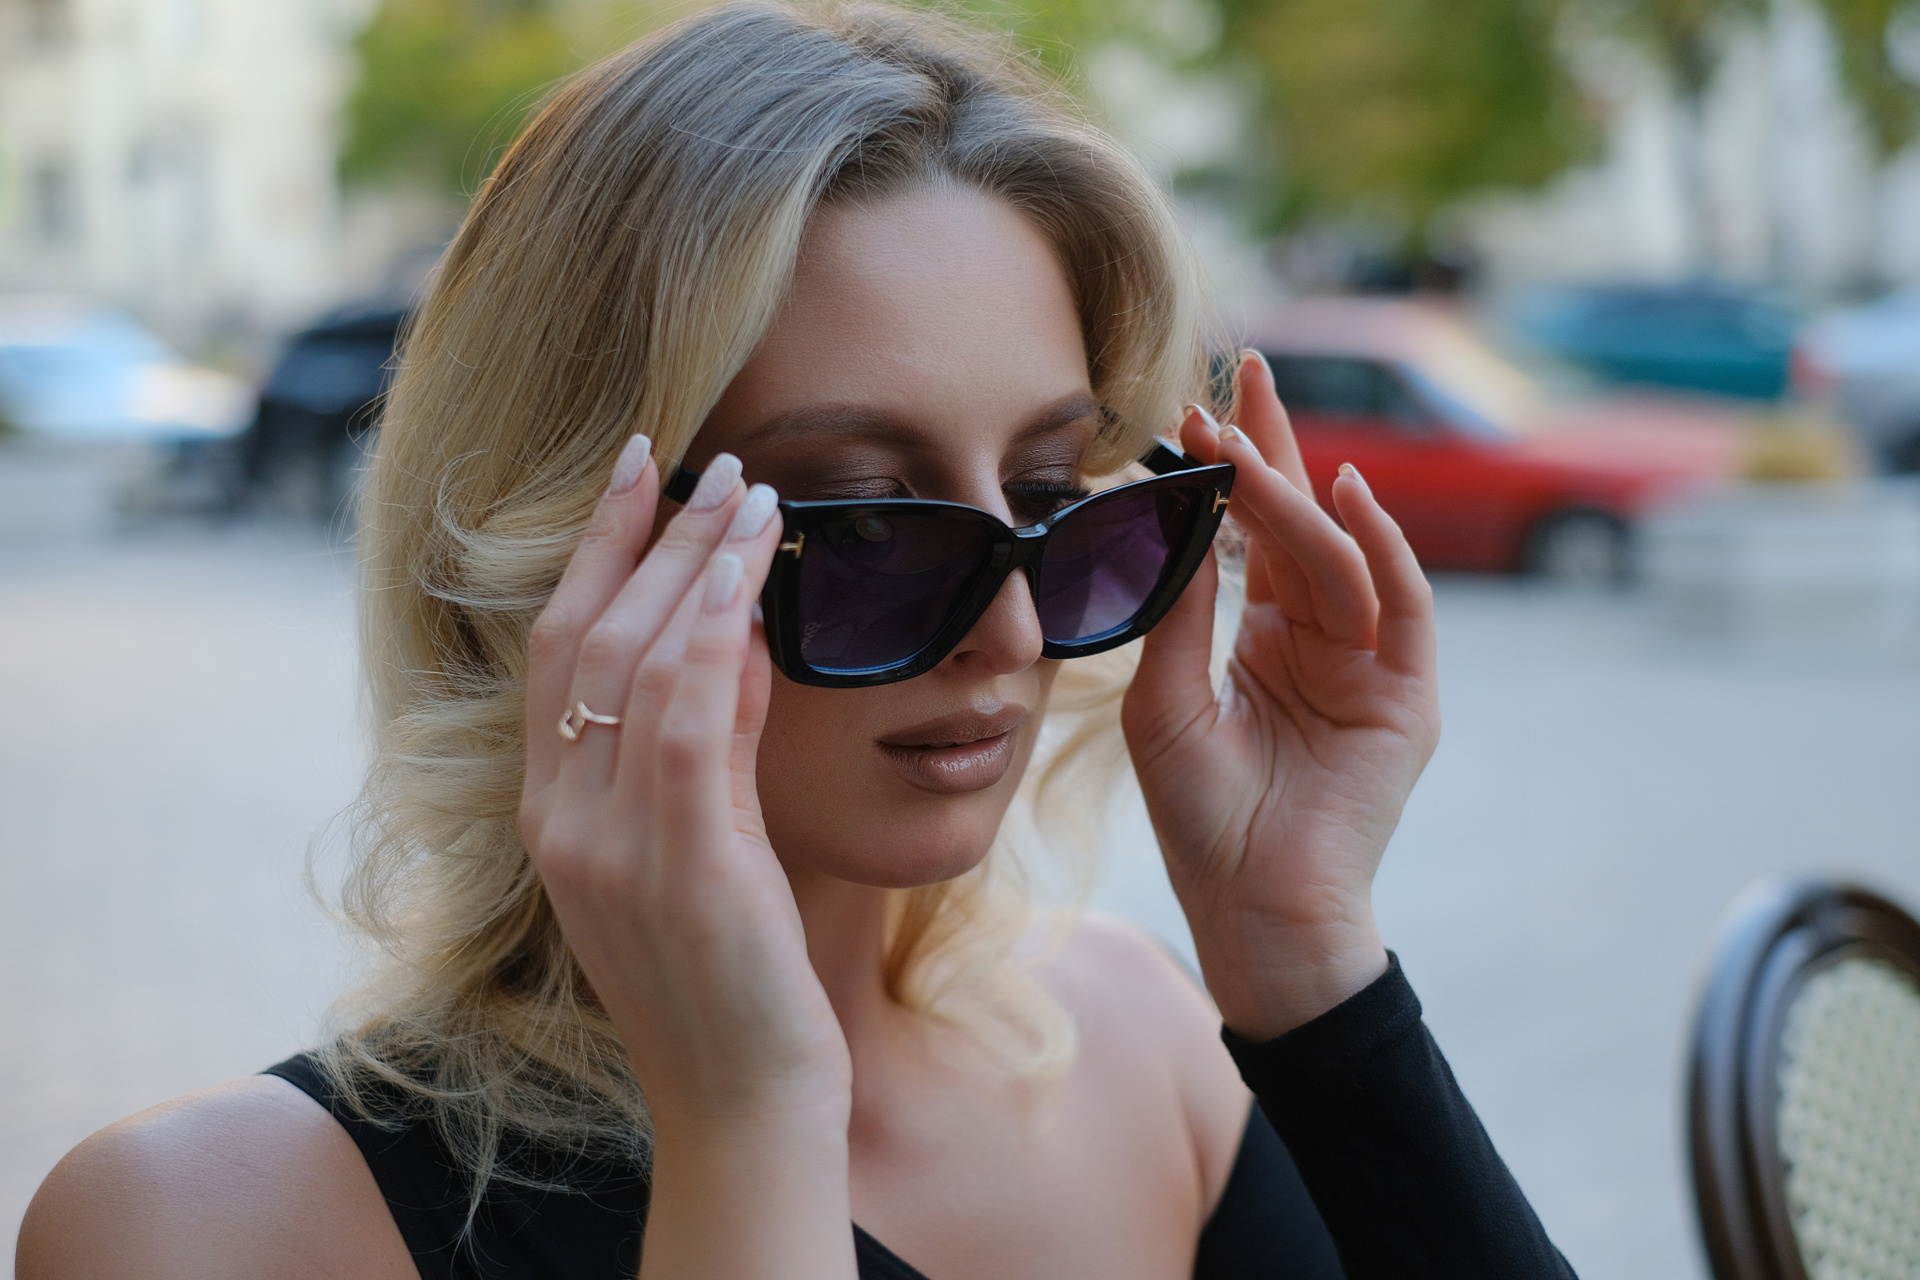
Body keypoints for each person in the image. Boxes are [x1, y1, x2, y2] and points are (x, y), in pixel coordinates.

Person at [17, 4, 1577, 1278]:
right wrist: (749, 1123)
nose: (1014, 631)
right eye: (868, 524)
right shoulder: (207, 1229)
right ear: (562, 558)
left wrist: (1302, 956)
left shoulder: (1146, 1041)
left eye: (1052, 494)